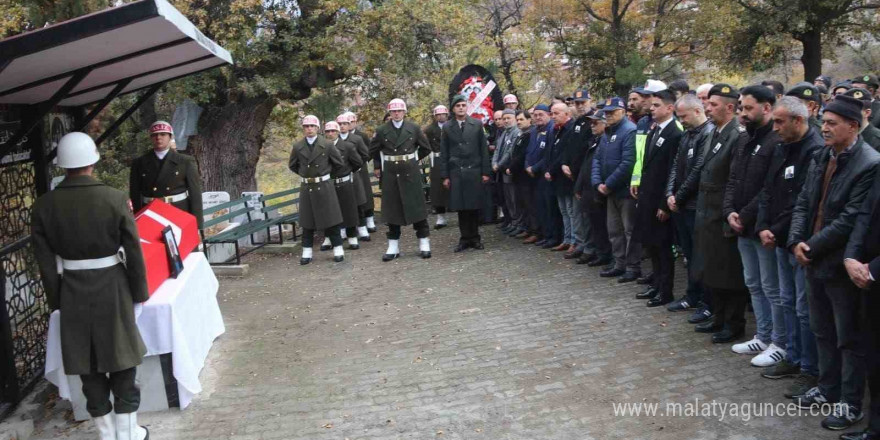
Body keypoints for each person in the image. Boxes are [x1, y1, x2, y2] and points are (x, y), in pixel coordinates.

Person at [32, 132, 150, 440]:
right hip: (113, 285)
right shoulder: (113, 198)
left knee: (88, 363)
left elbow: (45, 263)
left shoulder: (44, 206)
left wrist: (57, 301)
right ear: (93, 161)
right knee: (122, 358)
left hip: (71, 288)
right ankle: (128, 433)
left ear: (62, 166)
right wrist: (140, 293)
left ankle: (106, 433)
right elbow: (133, 251)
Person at [788, 95, 880, 431]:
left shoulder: (869, 163)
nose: (823, 128)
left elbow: (850, 218)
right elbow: (803, 201)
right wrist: (796, 240)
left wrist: (810, 246)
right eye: (823, 122)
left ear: (853, 126)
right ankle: (827, 388)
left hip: (839, 264)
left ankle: (851, 403)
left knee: (848, 338)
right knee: (822, 330)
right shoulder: (821, 156)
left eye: (831, 123)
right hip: (812, 259)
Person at [755, 97, 823, 397]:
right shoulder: (782, 145)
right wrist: (761, 225)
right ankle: (793, 357)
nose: (775, 126)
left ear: (799, 120)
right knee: (785, 300)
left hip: (799, 241)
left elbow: (802, 202)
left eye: (781, 121)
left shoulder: (814, 149)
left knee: (803, 308)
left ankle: (810, 369)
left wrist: (776, 228)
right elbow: (768, 189)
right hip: (778, 238)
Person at [724, 85, 784, 365]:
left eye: (749, 108)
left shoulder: (776, 140)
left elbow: (769, 188)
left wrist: (744, 215)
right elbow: (733, 179)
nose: (743, 113)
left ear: (767, 108)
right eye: (742, 108)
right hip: (741, 224)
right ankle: (763, 334)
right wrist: (729, 211)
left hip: (762, 225)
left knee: (772, 287)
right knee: (754, 283)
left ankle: (779, 342)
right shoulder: (744, 138)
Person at [692, 84, 750, 344]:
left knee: (729, 273)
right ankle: (718, 316)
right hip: (707, 212)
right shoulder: (717, 132)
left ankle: (733, 323)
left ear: (729, 107)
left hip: (721, 213)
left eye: (713, 104)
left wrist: (728, 211)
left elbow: (734, 179)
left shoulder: (737, 135)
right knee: (712, 270)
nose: (707, 108)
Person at [665, 94, 715, 323]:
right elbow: (676, 165)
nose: (681, 120)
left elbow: (699, 169)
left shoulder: (708, 133)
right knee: (689, 254)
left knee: (701, 256)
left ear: (697, 111)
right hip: (681, 205)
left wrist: (680, 195)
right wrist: (670, 194)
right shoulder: (687, 134)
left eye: (683, 116)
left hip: (696, 205)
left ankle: (707, 302)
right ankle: (692, 295)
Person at [632, 88, 683, 307]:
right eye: (651, 105)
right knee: (651, 244)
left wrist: (665, 203)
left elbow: (673, 171)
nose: (651, 109)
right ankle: (656, 285)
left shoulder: (675, 133)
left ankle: (665, 290)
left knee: (663, 247)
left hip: (660, 200)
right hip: (647, 196)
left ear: (670, 108)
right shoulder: (655, 130)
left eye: (656, 105)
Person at [842, 161, 880, 440]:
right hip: (867, 277)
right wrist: (851, 257)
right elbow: (865, 214)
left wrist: (873, 269)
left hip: (873, 272)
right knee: (873, 355)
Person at [369, 99, 433, 261]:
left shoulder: (414, 128)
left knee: (417, 209)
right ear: (389, 113)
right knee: (392, 211)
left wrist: (413, 160)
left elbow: (426, 148)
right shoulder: (382, 130)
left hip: (410, 173)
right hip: (390, 174)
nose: (396, 113)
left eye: (399, 111)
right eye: (393, 111)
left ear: (405, 112)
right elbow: (373, 150)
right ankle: (393, 246)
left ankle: (424, 242)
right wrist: (380, 164)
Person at [591, 97, 641, 282]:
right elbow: (597, 159)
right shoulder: (606, 133)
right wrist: (598, 183)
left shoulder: (630, 131)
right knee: (614, 231)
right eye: (606, 112)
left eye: (612, 111)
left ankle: (632, 267)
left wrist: (608, 184)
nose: (608, 115)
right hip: (610, 191)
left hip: (625, 191)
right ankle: (619, 263)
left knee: (629, 231)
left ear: (623, 111)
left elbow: (628, 163)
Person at [288, 115, 346, 264]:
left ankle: (338, 248)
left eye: (312, 126)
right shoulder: (297, 146)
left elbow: (338, 163)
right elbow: (293, 165)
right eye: (306, 127)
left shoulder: (327, 145)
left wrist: (324, 174)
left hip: (324, 186)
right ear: (303, 129)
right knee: (307, 221)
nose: (309, 129)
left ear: (317, 128)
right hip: (307, 186)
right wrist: (307, 175)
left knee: (331, 219)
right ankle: (306, 251)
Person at [438, 94, 491, 251]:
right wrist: (445, 175)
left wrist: (485, 172)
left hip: (474, 171)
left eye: (463, 105)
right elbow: (444, 152)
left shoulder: (476, 124)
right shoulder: (447, 127)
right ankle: (464, 238)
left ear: (466, 107)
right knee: (461, 207)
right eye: (457, 106)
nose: (461, 108)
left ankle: (475, 238)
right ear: (453, 109)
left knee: (474, 206)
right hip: (456, 172)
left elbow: (483, 149)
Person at [130, 121, 203, 228]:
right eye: (155, 135)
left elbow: (195, 194)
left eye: (163, 134)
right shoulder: (139, 163)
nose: (158, 138)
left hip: (178, 211)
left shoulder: (185, 161)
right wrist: (137, 221)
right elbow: (135, 195)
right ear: (151, 138)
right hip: (151, 213)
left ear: (170, 137)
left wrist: (197, 226)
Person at [575, 110, 613, 267]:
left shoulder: (605, 141)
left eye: (596, 123)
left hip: (597, 189)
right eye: (591, 122)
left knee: (601, 224)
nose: (592, 126)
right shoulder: (594, 140)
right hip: (588, 188)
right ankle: (598, 252)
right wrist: (578, 185)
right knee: (592, 223)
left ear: (605, 124)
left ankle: (604, 254)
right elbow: (586, 166)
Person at [562, 89, 596, 260]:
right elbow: (570, 146)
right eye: (577, 103)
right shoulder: (577, 122)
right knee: (577, 213)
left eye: (583, 102)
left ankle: (589, 247)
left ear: (590, 101)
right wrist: (565, 164)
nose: (580, 106)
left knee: (586, 214)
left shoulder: (593, 121)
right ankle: (581, 244)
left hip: (586, 175)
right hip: (573, 174)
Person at [323, 121, 365, 250]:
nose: (330, 134)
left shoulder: (347, 146)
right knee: (329, 212)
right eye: (328, 131)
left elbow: (358, 162)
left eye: (333, 131)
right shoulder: (321, 148)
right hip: (329, 184)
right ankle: (328, 238)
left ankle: (352, 237)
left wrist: (347, 172)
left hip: (345, 182)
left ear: (337, 132)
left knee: (349, 211)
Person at [543, 103, 579, 254]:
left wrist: (551, 169)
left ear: (567, 114)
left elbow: (563, 154)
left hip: (566, 176)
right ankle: (567, 238)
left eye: (556, 113)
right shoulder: (556, 130)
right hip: (557, 177)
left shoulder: (570, 129)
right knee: (564, 210)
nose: (553, 117)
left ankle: (574, 241)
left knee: (571, 211)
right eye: (551, 114)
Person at [528, 105, 560, 248]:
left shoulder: (551, 129)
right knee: (540, 207)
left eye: (541, 114)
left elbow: (548, 154)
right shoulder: (534, 131)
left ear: (548, 114)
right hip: (534, 176)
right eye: (535, 115)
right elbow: (529, 152)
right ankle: (546, 235)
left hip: (545, 174)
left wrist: (535, 167)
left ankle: (554, 236)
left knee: (549, 208)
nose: (538, 117)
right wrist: (527, 166)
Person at [337, 114, 373, 242]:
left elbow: (365, 154)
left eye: (345, 124)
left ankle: (362, 227)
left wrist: (356, 166)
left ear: (349, 125)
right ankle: (343, 230)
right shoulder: (334, 140)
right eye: (340, 124)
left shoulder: (357, 139)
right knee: (342, 203)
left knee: (358, 202)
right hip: (340, 177)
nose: (342, 126)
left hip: (355, 174)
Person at [344, 111, 378, 233]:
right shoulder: (339, 136)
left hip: (361, 168)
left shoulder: (361, 136)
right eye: (347, 122)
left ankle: (369, 219)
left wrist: (362, 162)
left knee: (366, 193)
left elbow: (370, 151)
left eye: (352, 122)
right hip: (346, 171)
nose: (350, 124)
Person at [507, 110, 536, 240]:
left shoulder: (530, 134)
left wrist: (511, 167)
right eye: (517, 120)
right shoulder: (521, 134)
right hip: (518, 176)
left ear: (529, 120)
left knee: (530, 205)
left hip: (525, 176)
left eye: (521, 119)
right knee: (523, 204)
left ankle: (535, 231)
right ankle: (527, 228)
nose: (518, 122)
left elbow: (522, 154)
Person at [493, 110, 522, 236]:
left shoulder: (516, 132)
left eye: (508, 118)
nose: (505, 121)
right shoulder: (504, 133)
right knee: (508, 199)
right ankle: (512, 222)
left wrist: (499, 164)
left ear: (515, 118)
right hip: (501, 171)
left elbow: (509, 151)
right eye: (504, 118)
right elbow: (497, 150)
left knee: (514, 199)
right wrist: (494, 162)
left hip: (509, 169)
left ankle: (518, 223)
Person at [424, 105, 451, 229]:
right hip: (437, 158)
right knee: (438, 188)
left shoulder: (453, 126)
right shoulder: (429, 130)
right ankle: (441, 217)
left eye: (443, 114)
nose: (441, 116)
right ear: (435, 116)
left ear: (447, 115)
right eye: (438, 114)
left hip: (453, 158)